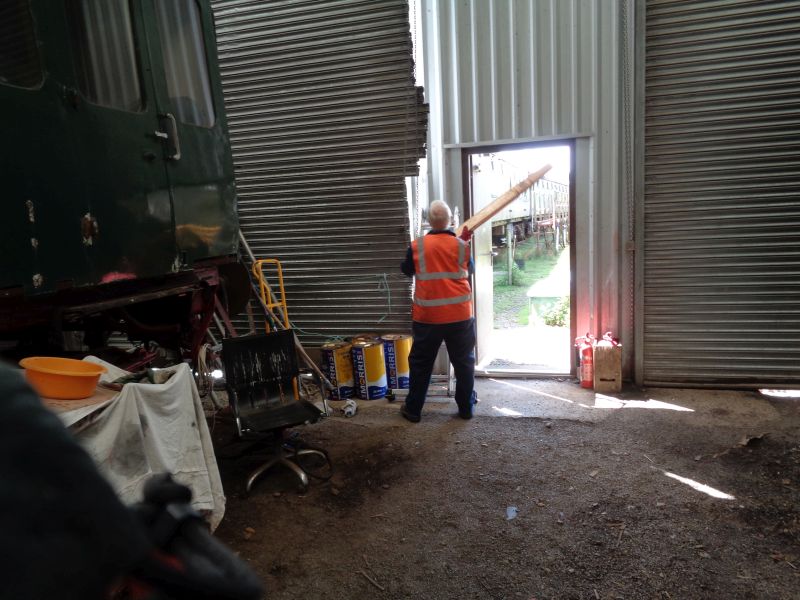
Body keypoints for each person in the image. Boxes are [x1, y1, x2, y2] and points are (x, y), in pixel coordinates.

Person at [399, 200, 478, 422]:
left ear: (428, 222)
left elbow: (406, 270)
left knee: (421, 364)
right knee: (463, 363)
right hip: (459, 316)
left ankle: (413, 410)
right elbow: (469, 269)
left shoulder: (417, 246)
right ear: (450, 221)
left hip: (428, 318)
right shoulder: (462, 245)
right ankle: (466, 409)